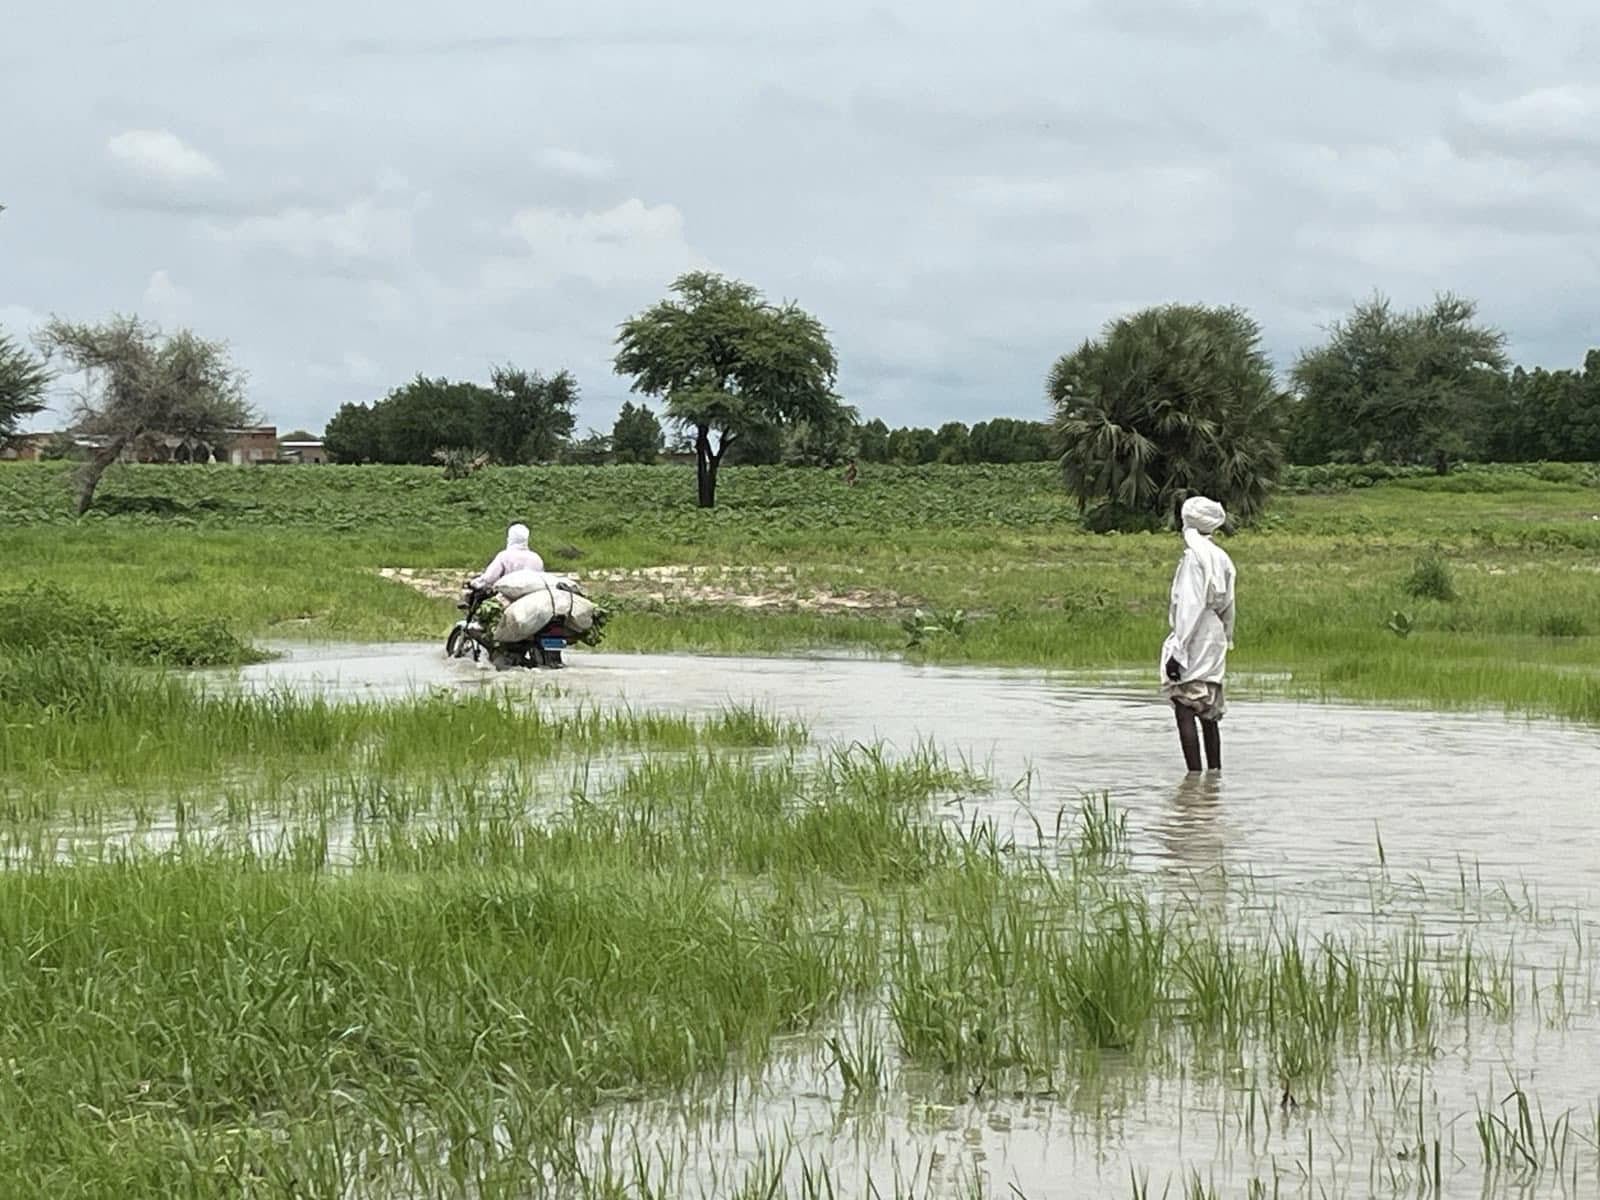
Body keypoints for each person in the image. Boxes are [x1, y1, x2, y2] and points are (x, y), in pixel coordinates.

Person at [1161, 496, 1236, 772]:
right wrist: (1225, 637)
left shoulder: (1194, 558)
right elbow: (1229, 605)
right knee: (1208, 709)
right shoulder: (1221, 557)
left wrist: (1178, 651)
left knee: (1184, 705)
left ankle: (1193, 777)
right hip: (1214, 632)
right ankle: (1214, 775)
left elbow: (1189, 608)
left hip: (1196, 633)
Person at [470, 523, 544, 590]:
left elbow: (490, 577)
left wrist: (475, 583)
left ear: (510, 538)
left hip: (510, 592)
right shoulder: (536, 558)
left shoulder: (504, 556)